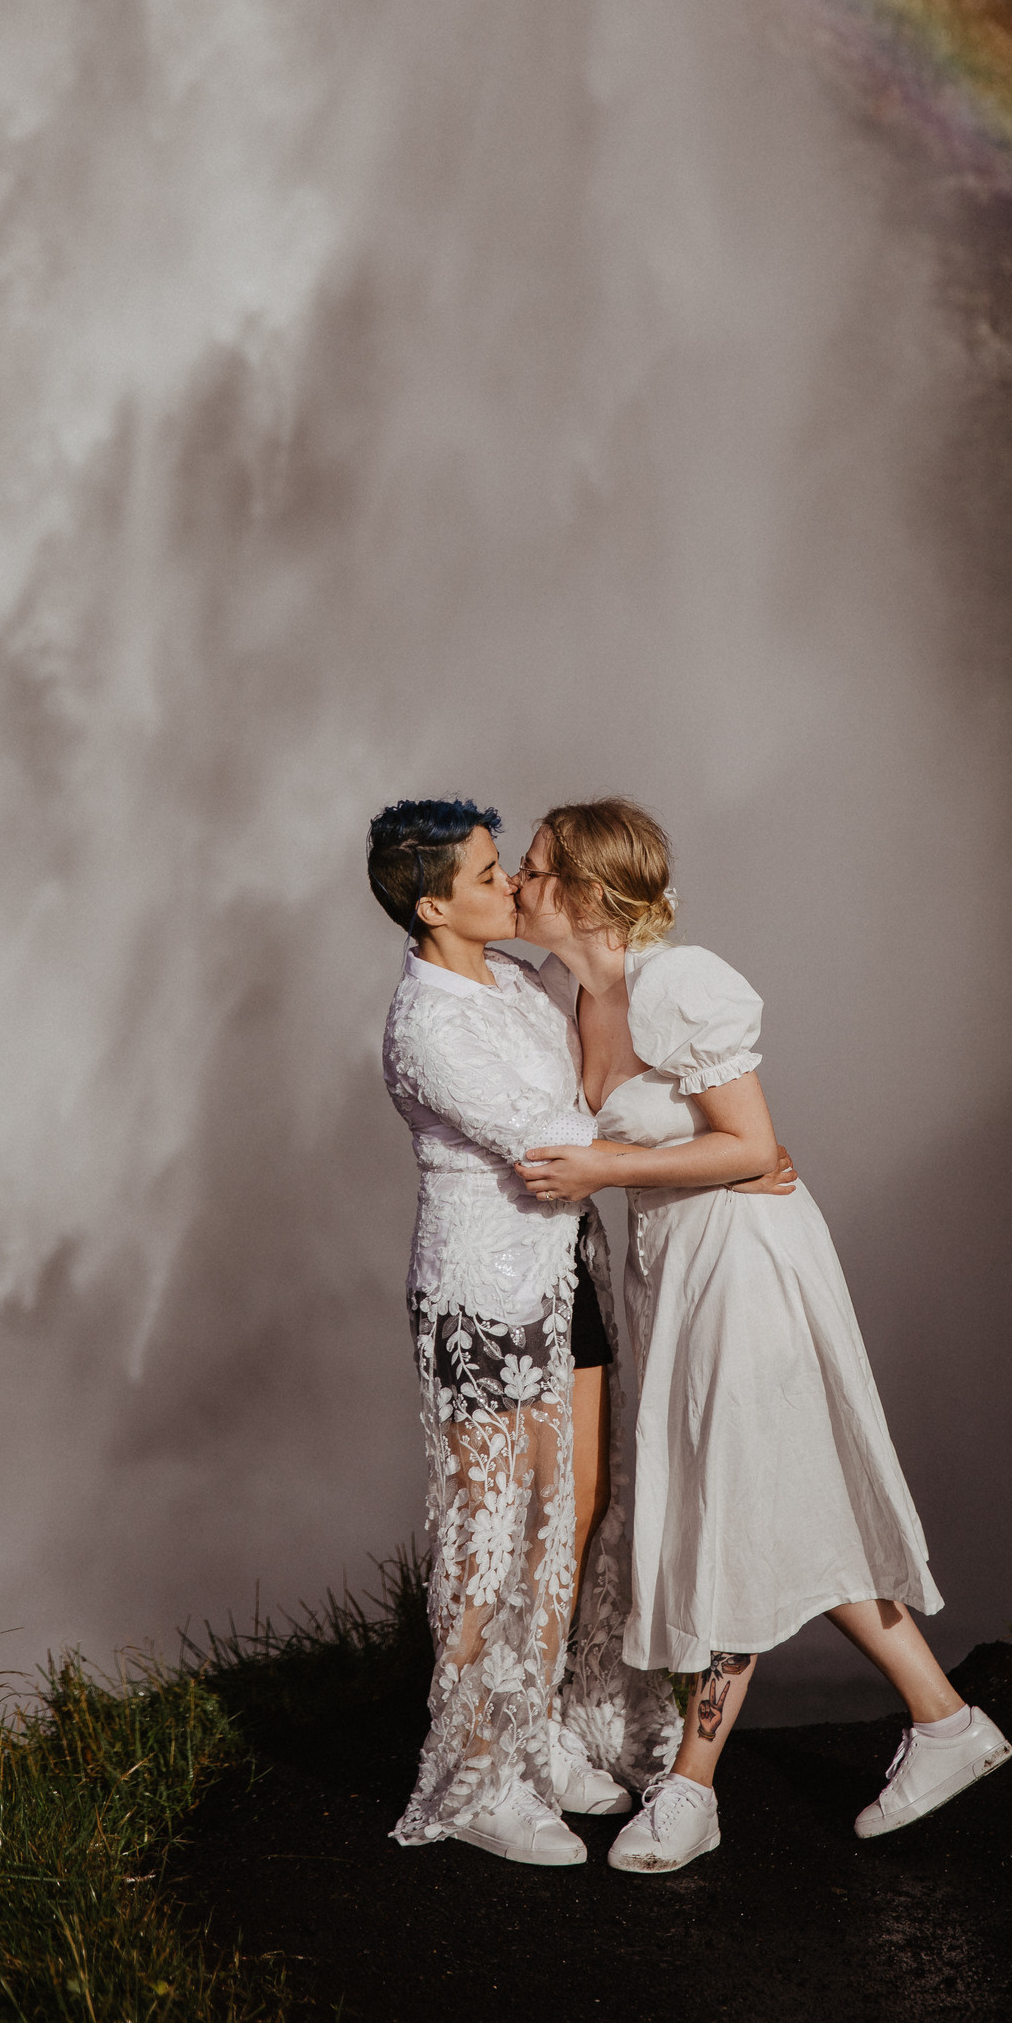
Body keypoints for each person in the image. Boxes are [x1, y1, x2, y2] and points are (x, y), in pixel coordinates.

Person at [513, 796, 1012, 1874]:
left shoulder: (680, 985)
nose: (517, 878)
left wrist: (606, 1167)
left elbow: (752, 1146)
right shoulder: (562, 991)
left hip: (742, 1260)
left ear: (592, 894)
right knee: (769, 1497)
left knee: (734, 1502)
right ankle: (944, 1720)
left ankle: (693, 1790)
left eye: (537, 866)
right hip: (672, 1264)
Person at [369, 795, 678, 1866]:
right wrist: (711, 1143)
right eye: (488, 874)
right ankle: (476, 1775)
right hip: (482, 1298)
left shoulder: (510, 979)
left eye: (506, 865)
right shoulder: (426, 1026)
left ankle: (535, 1722)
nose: (509, 885)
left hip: (564, 1280)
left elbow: (600, 1005)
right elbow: (555, 1140)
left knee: (574, 1508)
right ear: (431, 905)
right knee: (488, 1534)